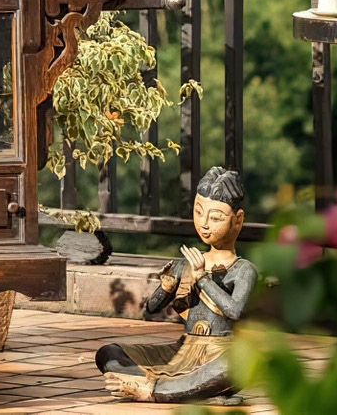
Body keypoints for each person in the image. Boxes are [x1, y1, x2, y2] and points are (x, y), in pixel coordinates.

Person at [95, 166, 257, 404]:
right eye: (199, 213)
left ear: (237, 220)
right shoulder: (188, 263)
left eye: (215, 218)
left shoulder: (243, 270)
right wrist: (166, 286)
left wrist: (202, 278)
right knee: (109, 353)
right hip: (181, 351)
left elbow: (234, 311)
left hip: (218, 353)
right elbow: (150, 309)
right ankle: (192, 391)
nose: (204, 224)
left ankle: (151, 389)